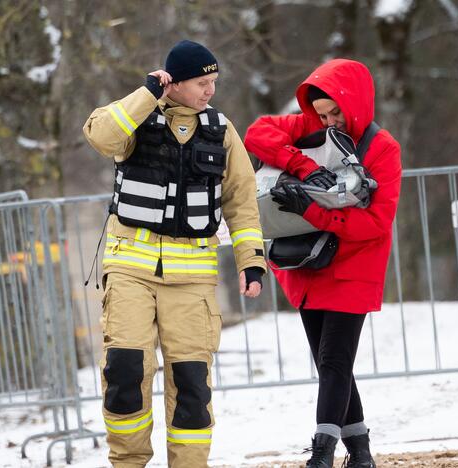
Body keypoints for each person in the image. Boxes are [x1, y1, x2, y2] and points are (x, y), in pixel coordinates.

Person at [83, 40, 267, 468]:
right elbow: (99, 134)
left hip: (193, 282)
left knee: (191, 390)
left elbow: (242, 201)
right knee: (125, 374)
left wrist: (252, 261)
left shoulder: (221, 130)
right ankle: (128, 462)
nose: (209, 91)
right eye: (202, 82)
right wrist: (146, 93)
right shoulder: (135, 118)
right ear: (175, 83)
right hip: (130, 271)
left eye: (214, 82)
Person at [244, 58, 402, 468]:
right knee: (331, 363)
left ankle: (321, 456)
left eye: (337, 112)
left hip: (355, 262)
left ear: (358, 103)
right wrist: (304, 167)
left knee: (333, 361)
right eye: (322, 113)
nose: (331, 121)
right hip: (311, 259)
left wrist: (313, 211)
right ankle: (362, 453)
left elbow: (376, 221)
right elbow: (258, 132)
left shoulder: (383, 148)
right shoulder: (311, 126)